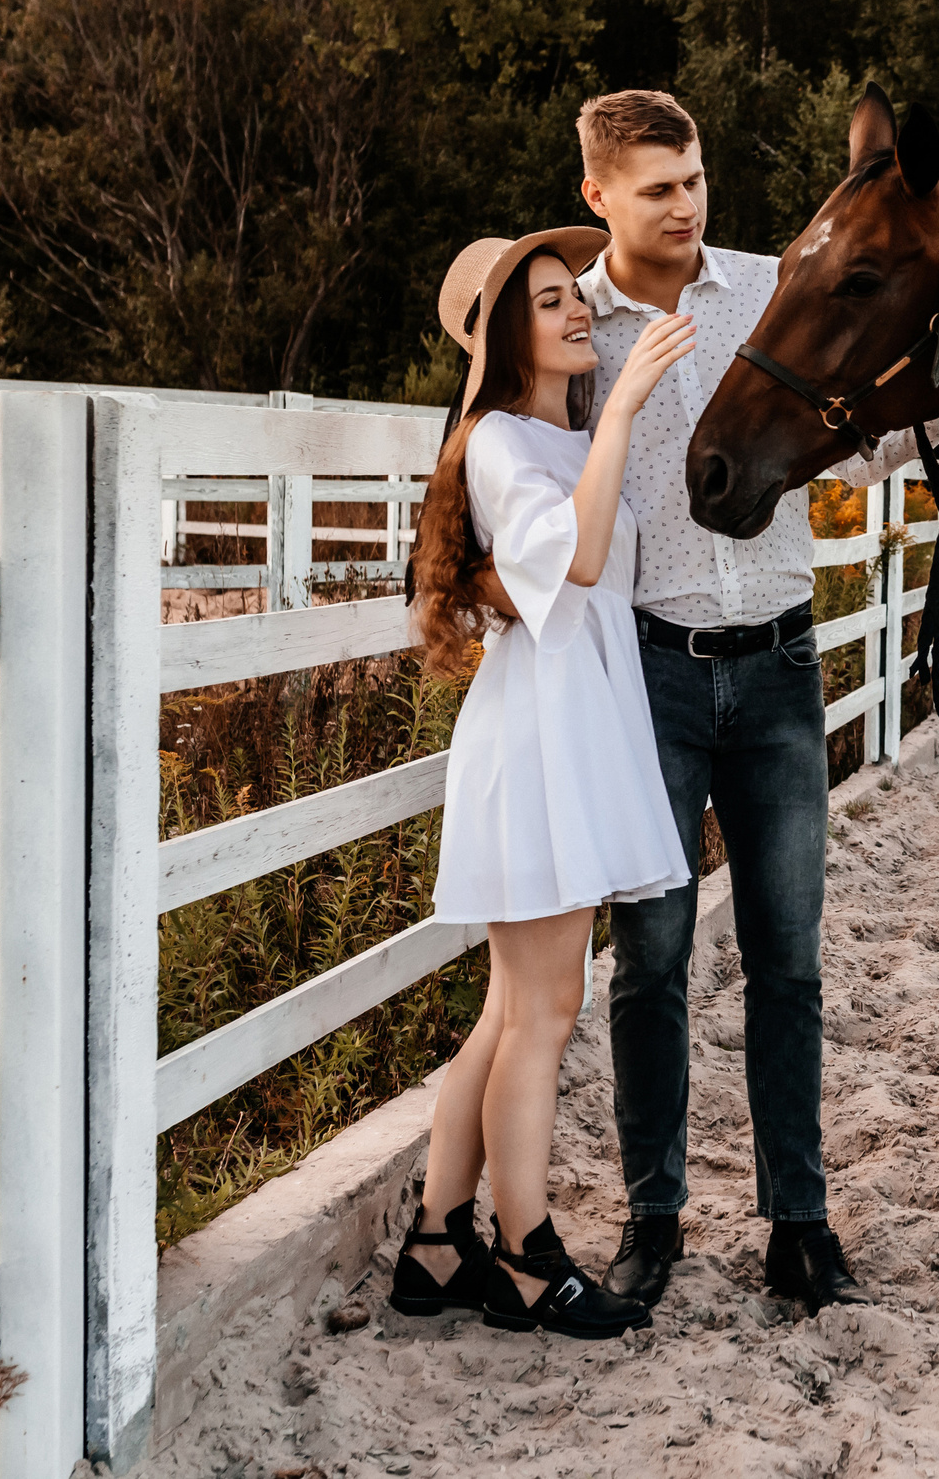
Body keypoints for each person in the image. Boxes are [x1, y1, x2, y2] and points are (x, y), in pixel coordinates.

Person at [571, 89, 939, 1314]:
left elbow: (859, 429)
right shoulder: (582, 331)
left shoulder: (767, 286)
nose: (686, 207)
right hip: (655, 673)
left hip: (781, 663)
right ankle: (653, 1220)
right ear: (600, 198)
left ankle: (800, 1226)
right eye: (658, 189)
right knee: (652, 960)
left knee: (789, 961)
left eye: (695, 181)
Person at [387, 225, 698, 1340]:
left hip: (578, 732)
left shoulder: (553, 439)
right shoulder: (501, 445)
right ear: (501, 334)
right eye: (550, 302)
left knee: (511, 1012)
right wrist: (617, 414)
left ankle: (434, 1246)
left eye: (576, 296)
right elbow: (571, 560)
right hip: (542, 747)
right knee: (545, 1013)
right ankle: (525, 1258)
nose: (577, 314)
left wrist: (611, 425)